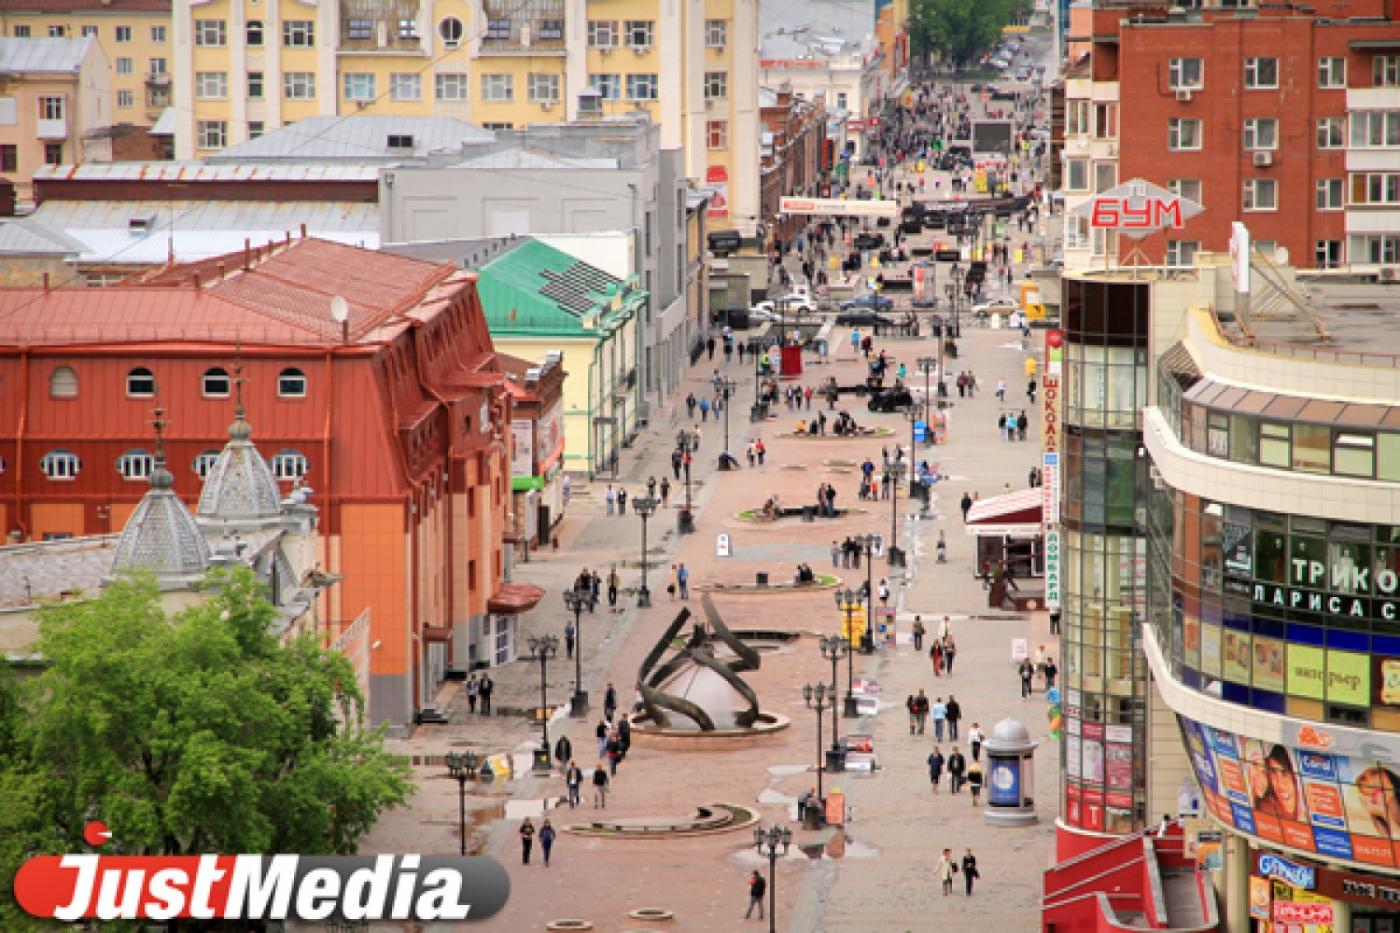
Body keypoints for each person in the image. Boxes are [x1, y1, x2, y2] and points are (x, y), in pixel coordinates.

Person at [1355, 765, 1400, 839]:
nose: (1371, 782)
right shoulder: (1375, 816)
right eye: (1363, 779)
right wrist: (1385, 813)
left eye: (1374, 773)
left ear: (1389, 775)